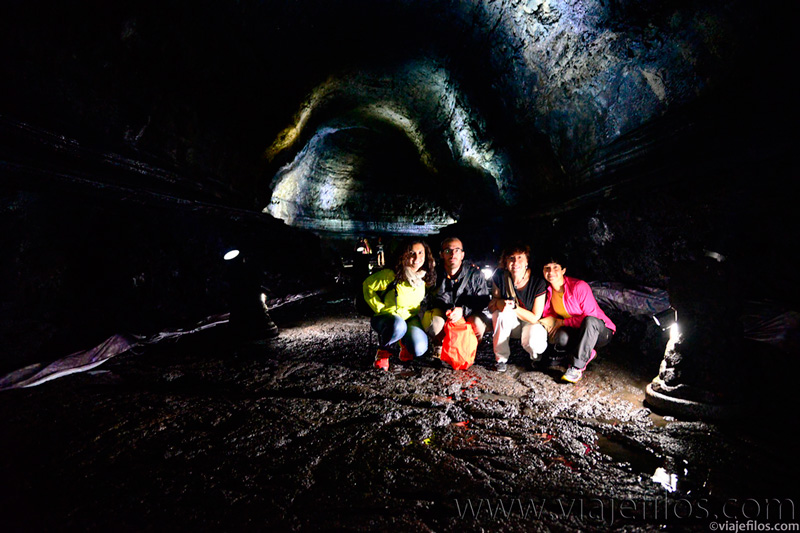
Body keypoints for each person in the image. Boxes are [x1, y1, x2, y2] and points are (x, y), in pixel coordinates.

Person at [538, 256, 616, 383]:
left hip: (601, 331)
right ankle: (586, 353)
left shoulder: (579, 287)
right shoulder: (548, 291)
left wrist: (563, 322)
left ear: (563, 270)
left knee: (590, 321)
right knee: (560, 336)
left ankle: (577, 367)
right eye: (547, 268)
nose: (551, 272)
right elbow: (549, 314)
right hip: (577, 330)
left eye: (555, 267)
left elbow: (591, 316)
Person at [363, 239, 436, 371]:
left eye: (420, 253)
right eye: (411, 253)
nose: (417, 258)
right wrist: (378, 307)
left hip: (409, 318)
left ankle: (404, 343)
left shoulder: (423, 277)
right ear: (404, 255)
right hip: (387, 318)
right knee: (398, 325)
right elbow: (367, 285)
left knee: (419, 347)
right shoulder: (391, 275)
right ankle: (383, 351)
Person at [424, 237, 491, 356]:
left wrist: (463, 310)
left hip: (468, 314)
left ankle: (468, 348)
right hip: (444, 313)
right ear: (441, 254)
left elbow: (483, 301)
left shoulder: (475, 275)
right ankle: (439, 345)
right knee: (435, 322)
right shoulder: (434, 274)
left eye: (457, 250)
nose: (453, 254)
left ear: (462, 255)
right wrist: (447, 310)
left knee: (477, 323)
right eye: (448, 251)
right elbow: (428, 298)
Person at [488, 243, 548, 372]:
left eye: (520, 257)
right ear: (505, 262)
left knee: (534, 343)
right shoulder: (499, 276)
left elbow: (535, 317)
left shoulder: (538, 281)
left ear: (527, 261)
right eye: (511, 258)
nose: (515, 262)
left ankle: (535, 357)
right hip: (512, 322)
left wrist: (514, 307)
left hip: (531, 322)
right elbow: (493, 305)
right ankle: (501, 359)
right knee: (499, 314)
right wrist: (500, 304)